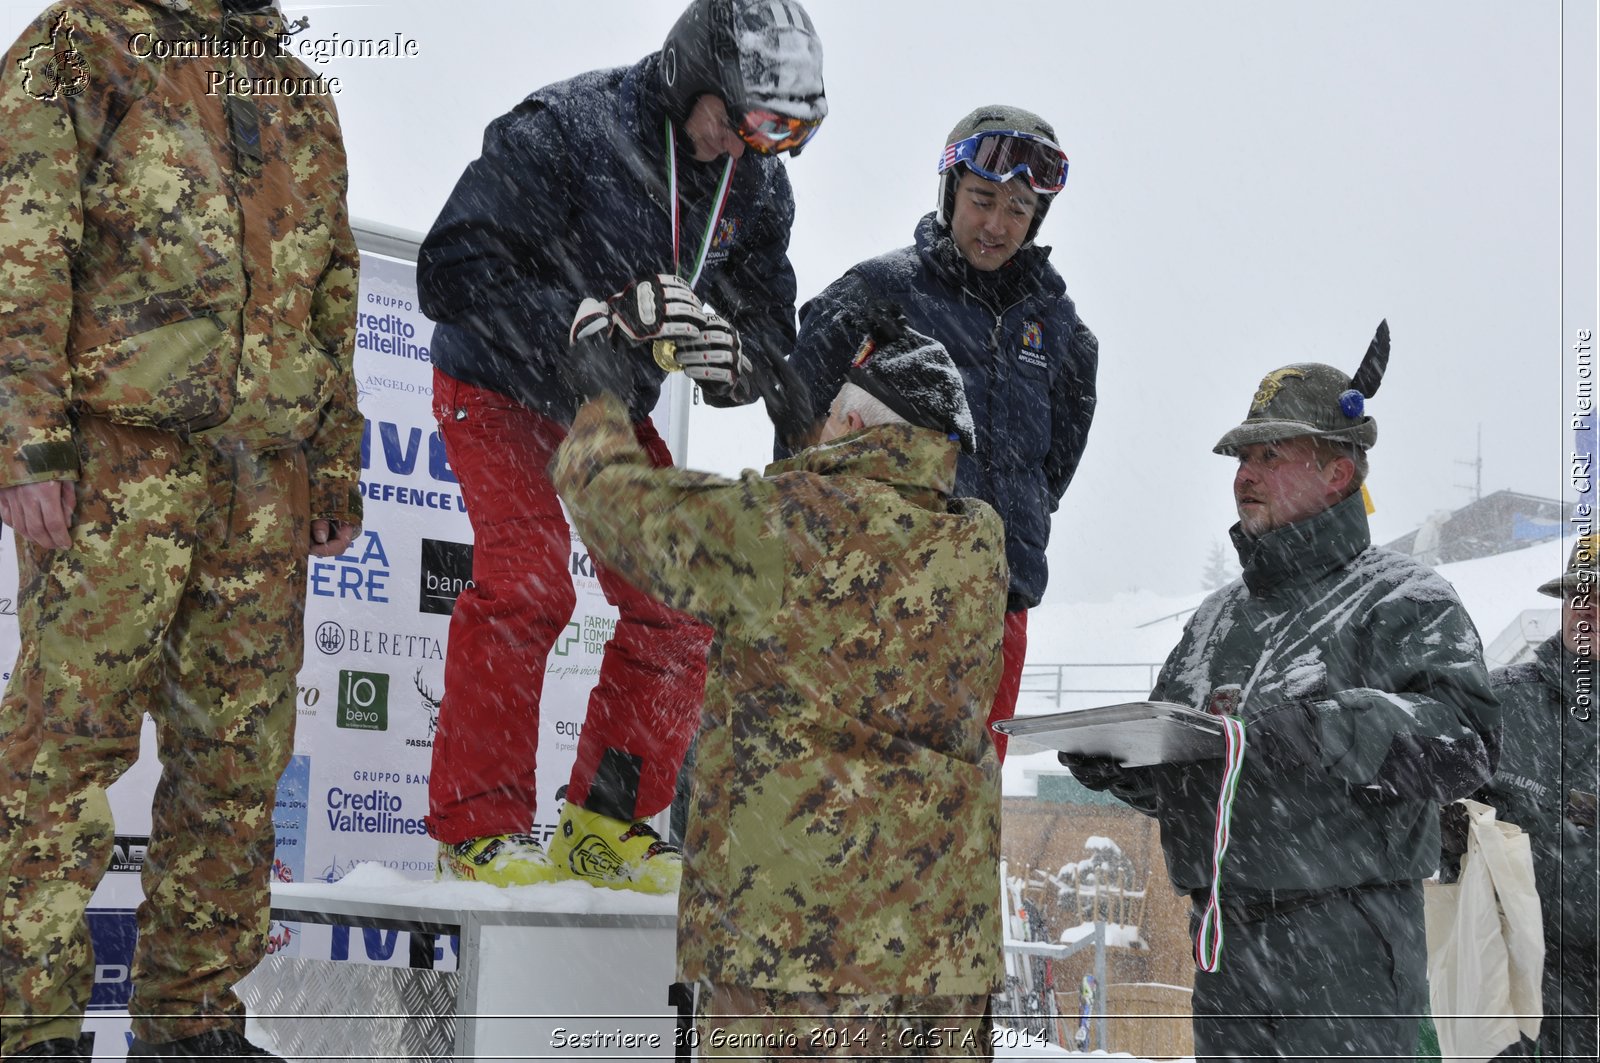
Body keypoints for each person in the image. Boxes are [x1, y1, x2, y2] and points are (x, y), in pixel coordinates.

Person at [0, 2, 362, 1060]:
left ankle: (192, 1020)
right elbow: (20, 235)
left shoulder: (302, 88)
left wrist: (332, 456)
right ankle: (28, 1024)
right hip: (120, 455)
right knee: (63, 745)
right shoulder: (82, 38)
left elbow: (331, 288)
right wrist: (25, 437)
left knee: (239, 761)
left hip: (263, 473)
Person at [416, 0, 825, 895]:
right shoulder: (567, 128)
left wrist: (741, 360)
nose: (748, 147)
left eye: (779, 134)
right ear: (691, 74)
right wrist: (569, 326)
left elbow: (764, 318)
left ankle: (604, 822)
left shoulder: (754, 184)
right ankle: (476, 827)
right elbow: (448, 269)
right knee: (529, 578)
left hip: (607, 402)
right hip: (499, 379)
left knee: (682, 599)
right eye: (743, 120)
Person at [549, 306, 1009, 1058]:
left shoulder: (781, 528)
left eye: (830, 418)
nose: (818, 430)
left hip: (791, 952)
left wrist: (602, 399)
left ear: (856, 429)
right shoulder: (981, 545)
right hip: (940, 961)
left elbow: (615, 503)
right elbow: (864, 531)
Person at [1065, 324, 1501, 1061]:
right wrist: (1129, 763)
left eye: (1271, 454)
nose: (1245, 473)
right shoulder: (1215, 622)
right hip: (1226, 950)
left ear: (1338, 472)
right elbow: (1199, 760)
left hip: (1349, 951)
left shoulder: (1404, 599)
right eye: (1242, 456)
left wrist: (1334, 729)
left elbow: (1470, 741)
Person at [784, 104, 1098, 761]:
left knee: (968, 797)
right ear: (950, 190)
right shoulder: (878, 292)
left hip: (997, 604)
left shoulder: (1063, 333)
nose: (996, 224)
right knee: (864, 793)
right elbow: (796, 417)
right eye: (983, 199)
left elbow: (1055, 467)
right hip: (881, 595)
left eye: (1017, 208)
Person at [1446, 538, 1597, 1059]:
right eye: (1581, 593)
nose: (1590, 607)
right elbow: (1440, 815)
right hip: (1510, 976)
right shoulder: (1499, 699)